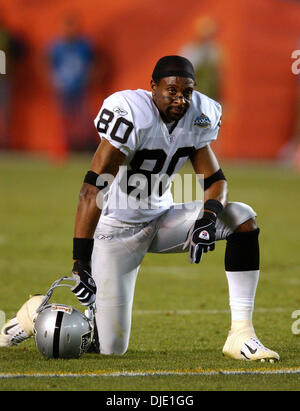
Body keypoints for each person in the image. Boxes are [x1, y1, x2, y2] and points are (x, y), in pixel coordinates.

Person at [1, 56, 279, 362]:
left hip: (162, 219)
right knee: (109, 348)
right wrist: (80, 260)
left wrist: (208, 218)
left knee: (242, 218)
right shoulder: (131, 113)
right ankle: (32, 315)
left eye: (186, 92)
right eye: (171, 91)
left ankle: (241, 334)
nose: (180, 99)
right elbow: (92, 189)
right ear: (153, 88)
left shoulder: (200, 113)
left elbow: (215, 181)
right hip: (116, 233)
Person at [48, 15, 95, 151]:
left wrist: (90, 76)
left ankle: (82, 146)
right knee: (62, 119)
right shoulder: (56, 46)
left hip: (80, 87)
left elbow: (94, 63)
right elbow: (47, 64)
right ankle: (63, 147)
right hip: (62, 88)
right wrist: (53, 79)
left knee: (82, 119)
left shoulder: (84, 45)